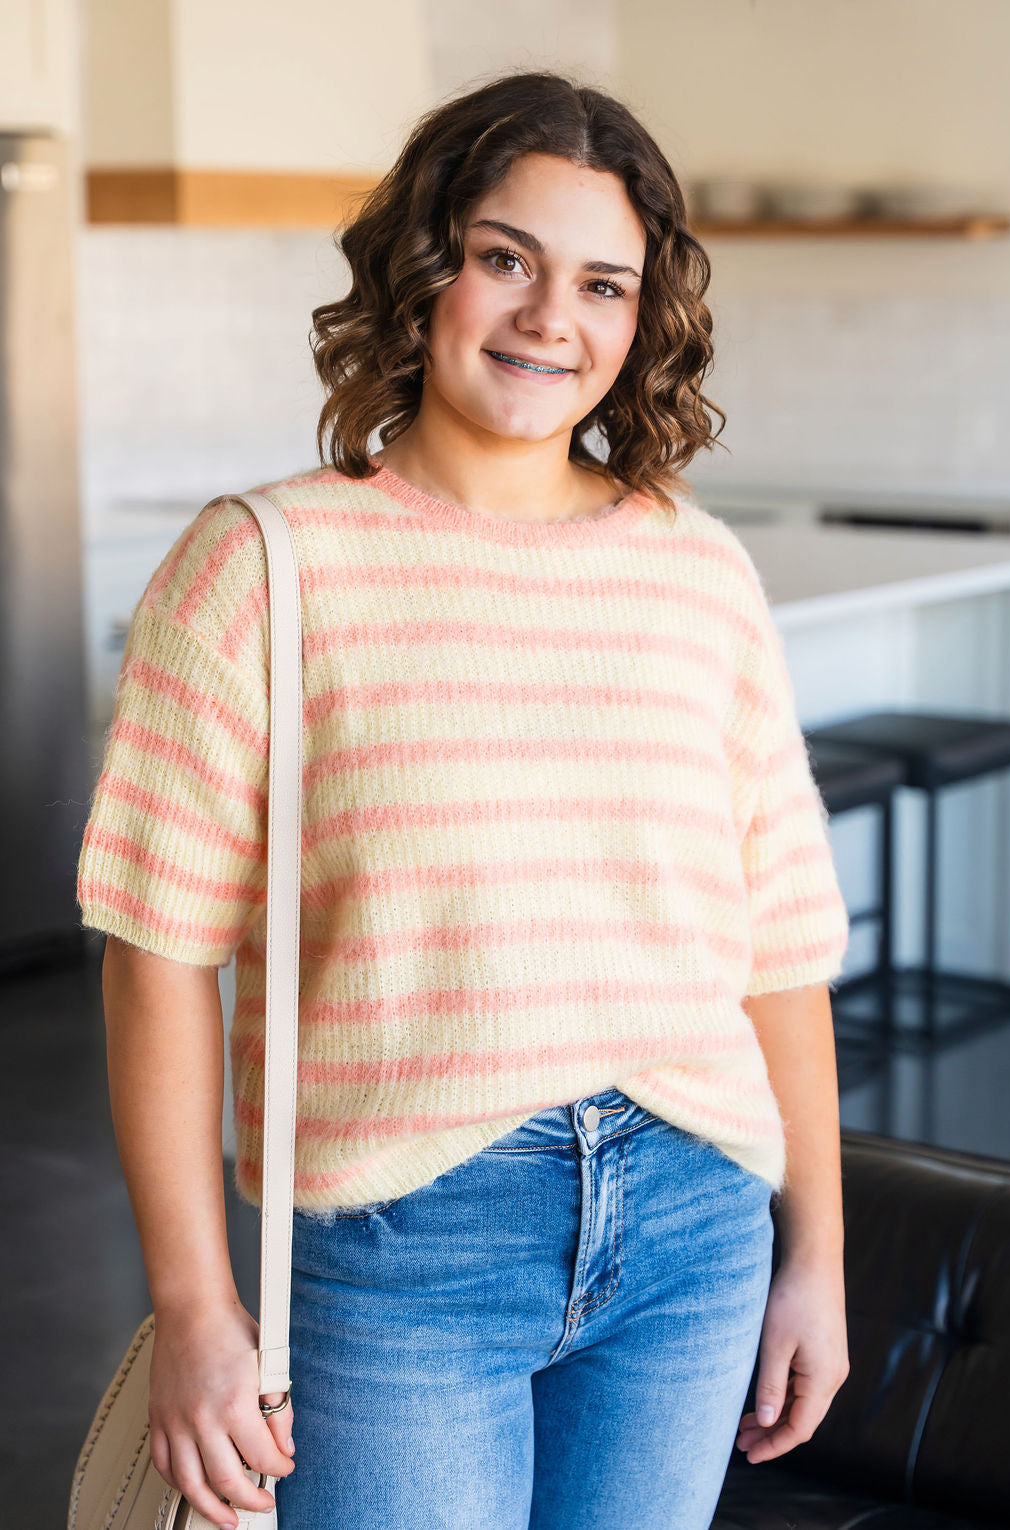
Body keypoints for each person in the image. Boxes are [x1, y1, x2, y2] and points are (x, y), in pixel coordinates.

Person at [77, 69, 851, 1530]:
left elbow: (779, 938)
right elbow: (156, 954)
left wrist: (814, 1245)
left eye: (603, 283)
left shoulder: (698, 573)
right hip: (404, 1245)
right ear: (425, 268)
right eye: (507, 258)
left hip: (694, 1226)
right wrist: (193, 1303)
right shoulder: (259, 566)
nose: (552, 317)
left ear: (643, 321)